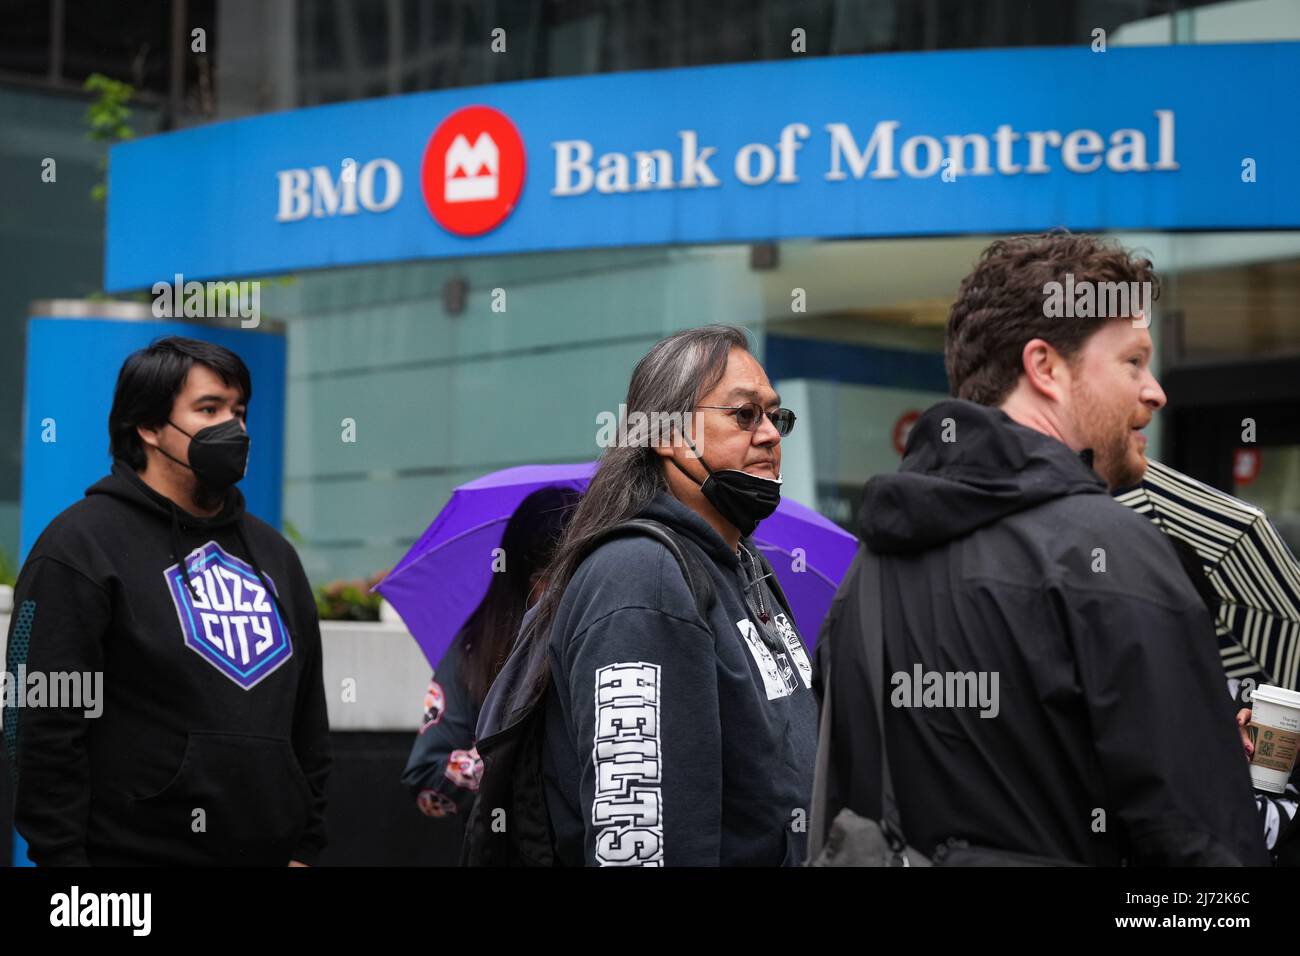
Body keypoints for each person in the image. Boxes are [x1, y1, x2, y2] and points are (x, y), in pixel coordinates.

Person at [813, 233, 1268, 865]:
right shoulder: (1115, 555)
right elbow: (1207, 864)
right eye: (1134, 362)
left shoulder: (867, 576)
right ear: (1045, 367)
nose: (1155, 390)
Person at [5, 336, 330, 866]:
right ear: (149, 427)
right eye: (209, 409)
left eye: (239, 411)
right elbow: (41, 724)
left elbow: (309, 722)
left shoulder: (275, 557)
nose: (235, 429)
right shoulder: (79, 548)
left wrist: (304, 848)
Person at [526, 324, 817, 866]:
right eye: (744, 414)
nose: (771, 435)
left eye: (776, 416)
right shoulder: (640, 576)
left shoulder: (744, 565)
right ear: (666, 434)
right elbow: (639, 838)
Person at [401, 485, 577, 826]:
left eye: (576, 576)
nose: (564, 595)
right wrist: (515, 757)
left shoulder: (608, 637)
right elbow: (425, 779)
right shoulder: (476, 649)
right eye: (550, 580)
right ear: (523, 580)